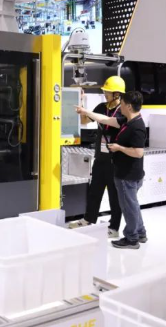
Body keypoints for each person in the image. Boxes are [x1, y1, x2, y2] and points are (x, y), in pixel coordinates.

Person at [90, 91, 147, 249]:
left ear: (129, 106)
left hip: (127, 175)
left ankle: (131, 238)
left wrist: (119, 148)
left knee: (128, 207)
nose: (119, 107)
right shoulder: (127, 121)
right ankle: (140, 233)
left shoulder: (137, 127)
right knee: (132, 204)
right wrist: (86, 112)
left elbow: (138, 152)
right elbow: (105, 119)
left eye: (122, 104)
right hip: (128, 173)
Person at [74, 76, 125, 238]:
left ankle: (114, 227)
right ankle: (89, 219)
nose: (105, 94)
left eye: (108, 92)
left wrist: (88, 112)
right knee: (94, 190)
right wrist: (81, 101)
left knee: (114, 195)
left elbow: (109, 121)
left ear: (117, 94)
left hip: (115, 160)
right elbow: (84, 120)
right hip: (100, 157)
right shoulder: (101, 107)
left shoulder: (123, 111)